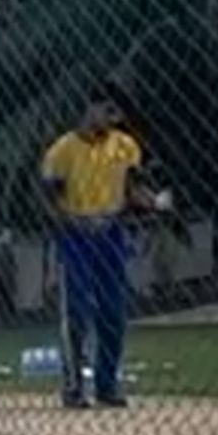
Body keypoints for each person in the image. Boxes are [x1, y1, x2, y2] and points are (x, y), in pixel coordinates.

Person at [40, 93, 151, 409]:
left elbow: (132, 190)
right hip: (76, 234)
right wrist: (69, 220)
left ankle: (107, 384)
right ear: (89, 109)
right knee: (76, 310)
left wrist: (151, 201)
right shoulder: (63, 150)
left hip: (111, 231)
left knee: (113, 311)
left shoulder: (125, 146)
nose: (112, 118)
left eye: (116, 112)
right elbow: (48, 197)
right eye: (107, 110)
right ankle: (74, 386)